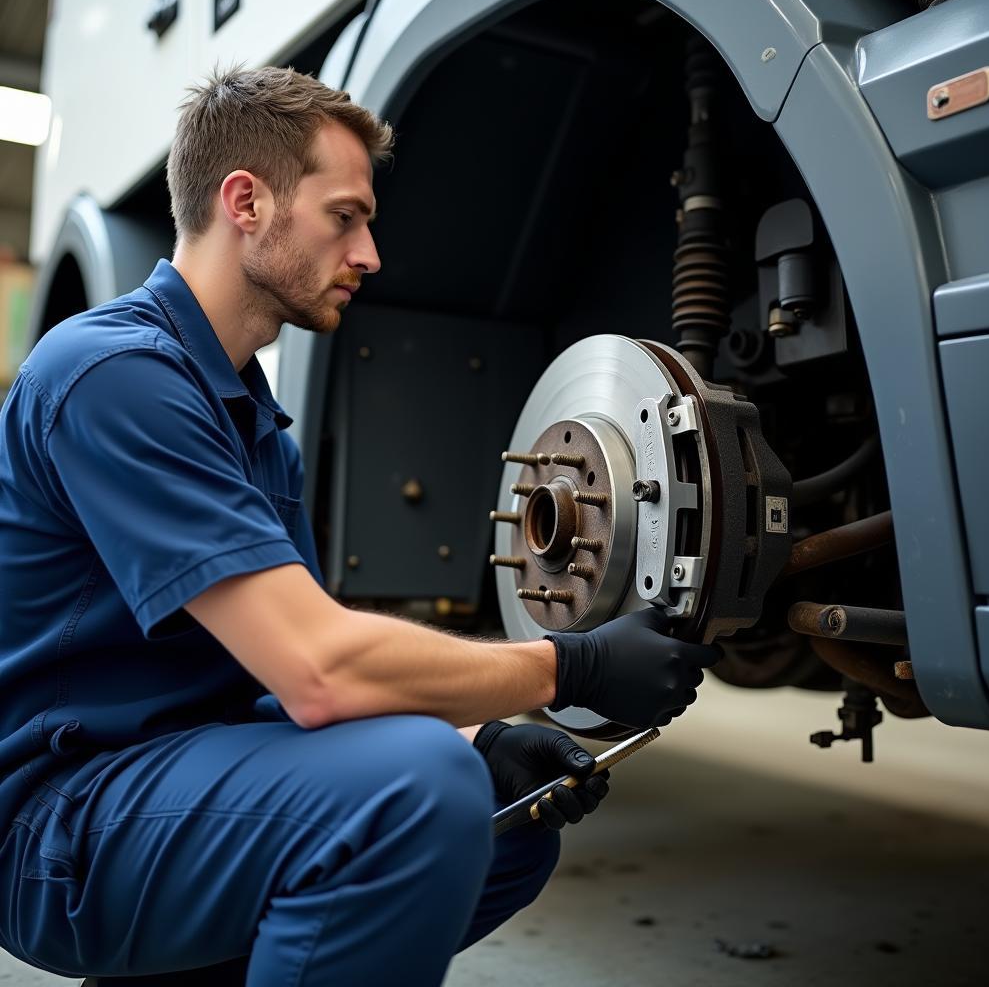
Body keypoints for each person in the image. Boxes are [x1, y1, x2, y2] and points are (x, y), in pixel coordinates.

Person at [0, 66, 720, 986]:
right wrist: (564, 667)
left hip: (172, 781)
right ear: (246, 202)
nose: (370, 253)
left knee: (504, 824)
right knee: (414, 793)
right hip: (55, 827)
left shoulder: (255, 431)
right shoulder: (112, 374)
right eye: (345, 216)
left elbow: (266, 677)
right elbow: (319, 673)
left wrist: (487, 740)